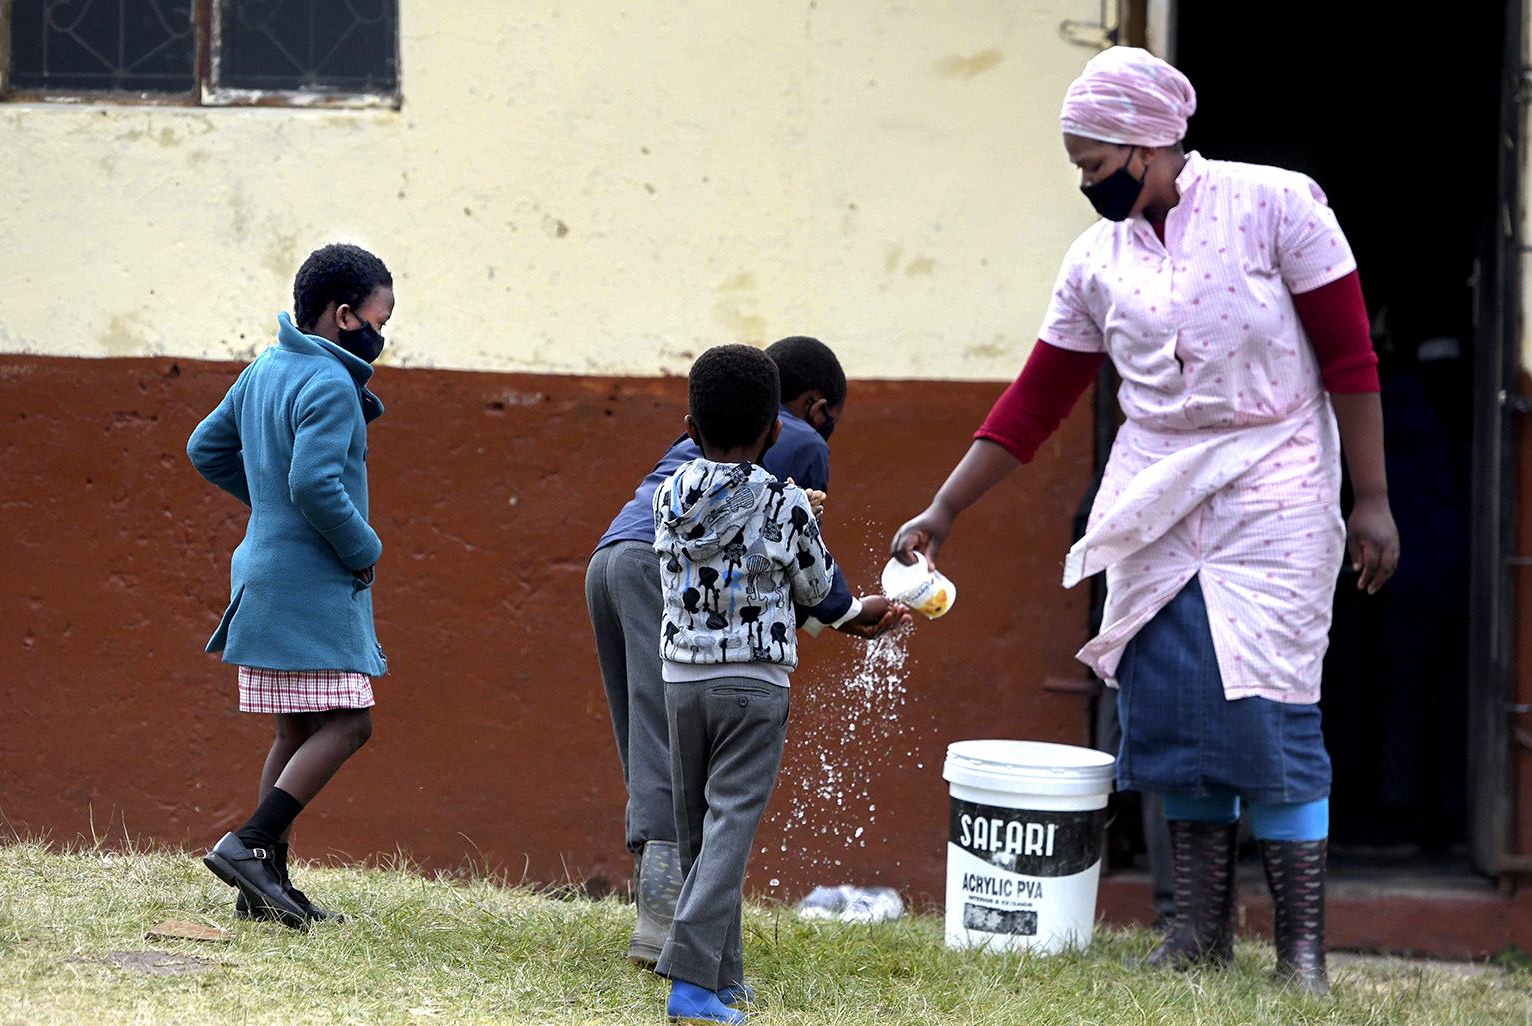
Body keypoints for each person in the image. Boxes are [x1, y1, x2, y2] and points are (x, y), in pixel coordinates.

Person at [891, 47, 1398, 995]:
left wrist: (1368, 499)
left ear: (1153, 144)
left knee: (1267, 700)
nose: (1087, 186)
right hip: (1155, 492)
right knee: (1167, 703)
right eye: (1077, 169)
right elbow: (1034, 404)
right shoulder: (1095, 260)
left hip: (1275, 480)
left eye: (1095, 166)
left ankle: (1301, 955)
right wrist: (943, 508)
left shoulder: (1276, 205)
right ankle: (1193, 933)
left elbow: (1349, 358)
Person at [586, 336, 898, 966]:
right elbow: (795, 565)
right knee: (680, 767)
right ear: (813, 408)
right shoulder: (798, 443)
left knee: (648, 741)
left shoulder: (691, 456)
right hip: (662, 582)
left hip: (612, 562)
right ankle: (666, 931)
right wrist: (846, 615)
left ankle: (668, 916)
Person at [651, 344, 868, 1025]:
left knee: (697, 834)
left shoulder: (666, 493)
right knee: (731, 829)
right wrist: (802, 513)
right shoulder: (784, 501)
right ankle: (689, 986)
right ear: (774, 433)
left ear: (689, 426)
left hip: (680, 679)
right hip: (752, 683)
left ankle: (724, 978)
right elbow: (814, 587)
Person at [188, 243, 394, 928]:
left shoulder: (267, 366)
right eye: (378, 317)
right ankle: (249, 844)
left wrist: (269, 505)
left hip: (263, 568)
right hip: (310, 576)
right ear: (343, 316)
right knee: (349, 720)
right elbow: (314, 482)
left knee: (297, 724)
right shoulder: (331, 381)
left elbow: (205, 448)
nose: (383, 332)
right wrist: (361, 547)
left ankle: (261, 883)